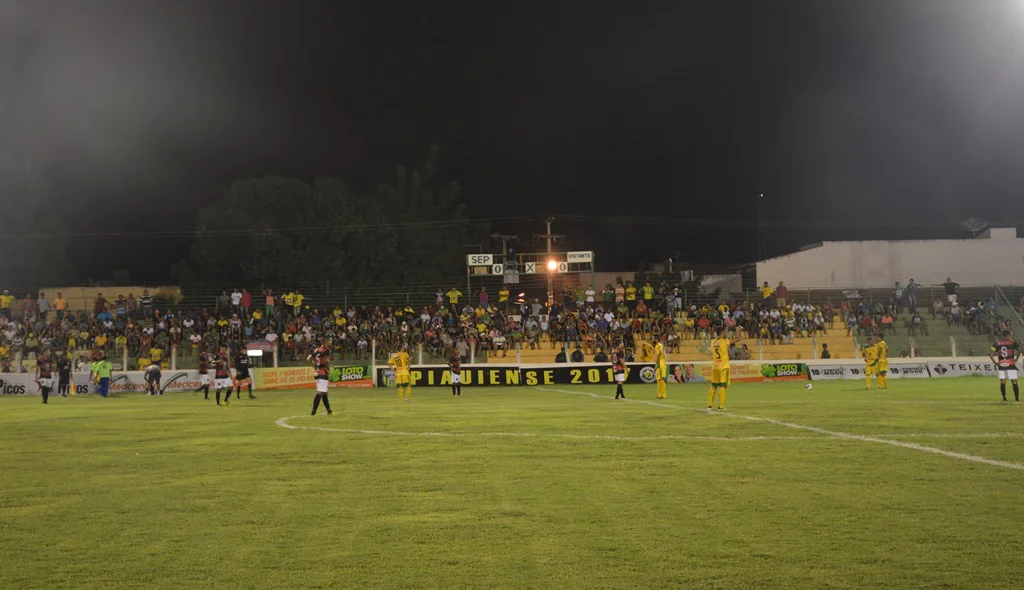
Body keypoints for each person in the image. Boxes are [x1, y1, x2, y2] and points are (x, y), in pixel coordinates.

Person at [989, 331, 1021, 402]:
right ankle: (1016, 398)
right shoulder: (1012, 342)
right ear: (1009, 335)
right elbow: (1019, 351)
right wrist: (1016, 359)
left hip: (1001, 364)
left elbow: (990, 352)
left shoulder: (997, 343)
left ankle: (1004, 398)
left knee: (1003, 381)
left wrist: (995, 362)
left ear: (1003, 335)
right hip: (1010, 363)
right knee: (1014, 382)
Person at [307, 340, 334, 415]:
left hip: (317, 372)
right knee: (320, 392)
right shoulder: (326, 350)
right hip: (323, 372)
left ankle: (329, 410)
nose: (330, 343)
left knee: (324, 392)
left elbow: (308, 359)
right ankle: (313, 411)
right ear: (325, 342)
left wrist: (315, 367)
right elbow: (326, 360)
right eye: (329, 341)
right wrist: (328, 369)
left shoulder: (316, 350)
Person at [708, 328, 731, 411]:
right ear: (722, 333)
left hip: (715, 365)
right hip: (723, 366)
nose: (726, 333)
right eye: (724, 332)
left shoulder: (713, 342)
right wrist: (739, 330)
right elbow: (737, 339)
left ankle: (709, 406)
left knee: (713, 386)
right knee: (723, 385)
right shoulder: (724, 341)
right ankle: (721, 406)